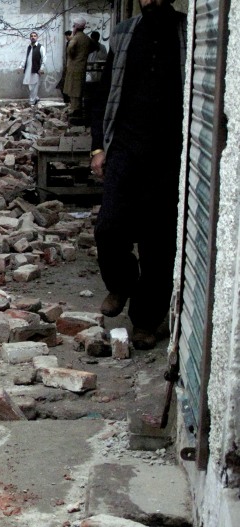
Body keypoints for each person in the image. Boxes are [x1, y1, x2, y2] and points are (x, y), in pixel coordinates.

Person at [89, 0, 187, 349]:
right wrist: (98, 147)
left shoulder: (186, 34)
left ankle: (146, 320)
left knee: (158, 243)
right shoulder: (125, 34)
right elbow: (102, 95)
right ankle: (122, 281)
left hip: (168, 158)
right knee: (109, 228)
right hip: (125, 150)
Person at [63, 18, 92, 120]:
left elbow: (70, 47)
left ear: (75, 27)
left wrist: (72, 56)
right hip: (82, 67)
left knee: (74, 90)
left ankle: (76, 111)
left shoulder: (76, 38)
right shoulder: (86, 38)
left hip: (74, 67)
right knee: (78, 89)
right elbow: (93, 46)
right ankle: (77, 109)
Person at [21, 31, 45, 105]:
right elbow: (25, 58)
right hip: (28, 69)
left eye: (34, 36)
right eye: (31, 36)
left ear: (37, 37)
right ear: (30, 38)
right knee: (29, 85)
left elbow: (44, 58)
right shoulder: (29, 47)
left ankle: (32, 102)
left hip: (36, 69)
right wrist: (21, 66)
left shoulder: (40, 47)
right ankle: (36, 98)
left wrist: (41, 68)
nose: (33, 37)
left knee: (34, 86)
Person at [56, 30, 72, 103]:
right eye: (66, 36)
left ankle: (68, 99)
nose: (67, 37)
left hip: (71, 67)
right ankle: (66, 99)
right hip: (67, 66)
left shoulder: (73, 43)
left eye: (68, 35)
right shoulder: (68, 43)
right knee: (63, 84)